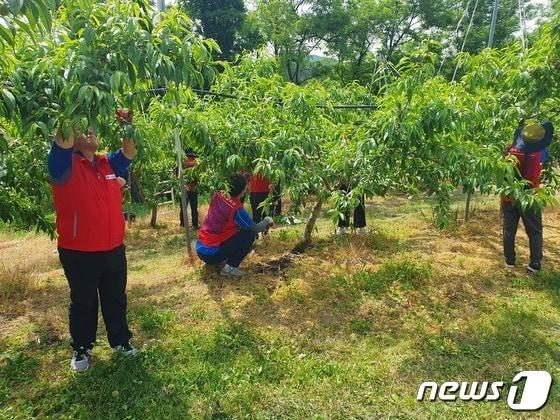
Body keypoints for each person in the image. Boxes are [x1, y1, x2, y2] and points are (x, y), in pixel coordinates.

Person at [47, 109, 138, 372]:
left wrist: (126, 124)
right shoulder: (64, 165)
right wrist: (74, 103)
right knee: (84, 301)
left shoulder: (107, 163)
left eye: (92, 128)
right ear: (71, 136)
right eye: (82, 128)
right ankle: (81, 348)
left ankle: (121, 341)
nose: (90, 131)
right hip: (79, 251)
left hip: (113, 248)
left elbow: (129, 152)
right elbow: (62, 139)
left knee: (115, 298)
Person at [196, 174, 274, 278]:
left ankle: (220, 260)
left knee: (238, 229)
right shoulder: (236, 210)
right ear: (242, 191)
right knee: (249, 234)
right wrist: (267, 220)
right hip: (211, 254)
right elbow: (256, 228)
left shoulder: (218, 195)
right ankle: (230, 268)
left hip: (200, 248)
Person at [502, 120, 553, 273]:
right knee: (535, 231)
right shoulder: (539, 153)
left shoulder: (510, 151)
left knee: (509, 229)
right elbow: (540, 166)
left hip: (509, 196)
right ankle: (535, 263)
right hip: (530, 197)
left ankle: (509, 260)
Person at [179, 148, 199, 229]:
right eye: (190, 157)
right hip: (185, 188)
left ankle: (194, 224)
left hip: (193, 189)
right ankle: (183, 224)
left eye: (192, 157)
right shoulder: (183, 164)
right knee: (184, 208)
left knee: (193, 208)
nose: (191, 159)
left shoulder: (194, 164)